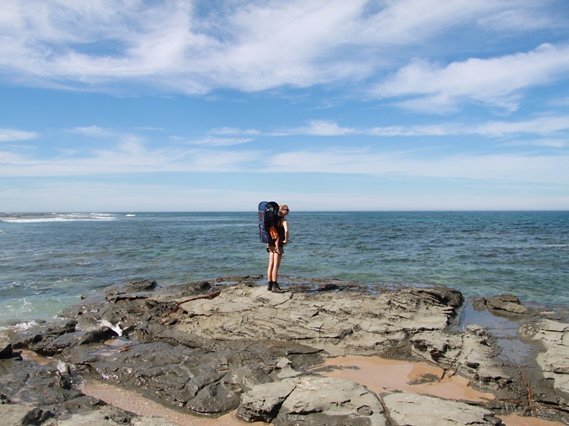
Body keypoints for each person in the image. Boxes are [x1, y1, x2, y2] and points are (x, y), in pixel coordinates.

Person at [267, 204, 289, 292]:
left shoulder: (272, 219)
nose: (288, 211)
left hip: (271, 243)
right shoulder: (282, 220)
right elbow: (286, 230)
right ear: (281, 210)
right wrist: (286, 240)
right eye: (286, 210)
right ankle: (275, 285)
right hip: (278, 244)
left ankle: (269, 284)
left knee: (270, 264)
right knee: (276, 265)